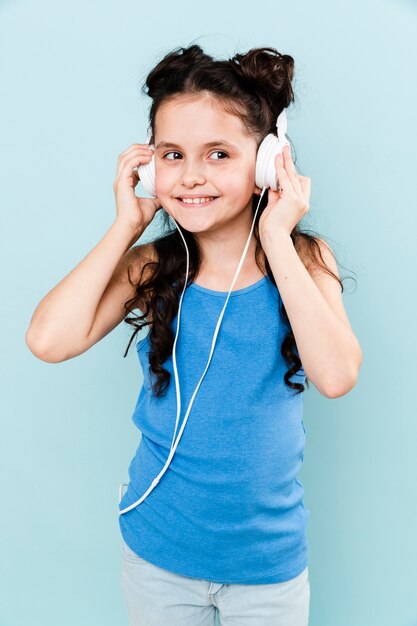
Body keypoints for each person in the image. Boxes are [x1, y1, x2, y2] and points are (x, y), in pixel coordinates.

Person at [26, 44, 363, 626]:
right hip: (157, 555)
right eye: (173, 154)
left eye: (218, 154)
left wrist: (279, 238)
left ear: (266, 165)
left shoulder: (305, 261)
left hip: (267, 568)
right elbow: (48, 340)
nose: (191, 177)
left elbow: (335, 376)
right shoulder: (151, 266)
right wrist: (125, 224)